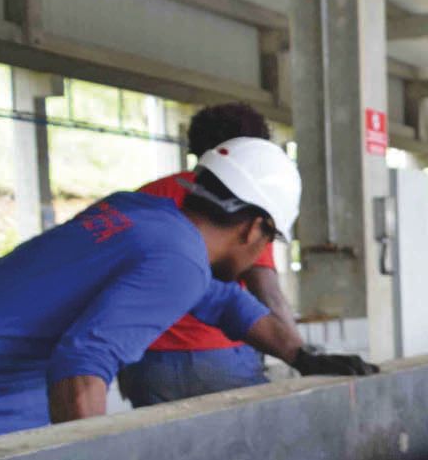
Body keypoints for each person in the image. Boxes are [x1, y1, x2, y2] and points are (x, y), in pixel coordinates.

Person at [0, 139, 298, 460]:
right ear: (253, 229)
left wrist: (303, 354)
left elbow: (222, 303)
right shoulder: (179, 257)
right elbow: (82, 363)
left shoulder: (145, 216)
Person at [121, 102, 373, 405]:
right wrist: (302, 358)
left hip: (144, 361)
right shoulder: (243, 200)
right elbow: (267, 292)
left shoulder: (148, 195)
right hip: (216, 357)